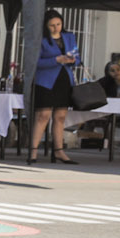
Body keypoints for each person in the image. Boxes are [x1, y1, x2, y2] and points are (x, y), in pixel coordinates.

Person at [30, 9, 81, 165]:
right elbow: (34, 62)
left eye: (58, 24)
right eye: (52, 25)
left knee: (60, 117)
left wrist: (73, 60)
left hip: (64, 80)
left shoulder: (69, 37)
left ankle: (59, 151)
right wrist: (56, 60)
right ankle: (33, 151)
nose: (56, 28)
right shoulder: (40, 39)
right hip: (45, 81)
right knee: (43, 116)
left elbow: (78, 58)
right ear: (46, 26)